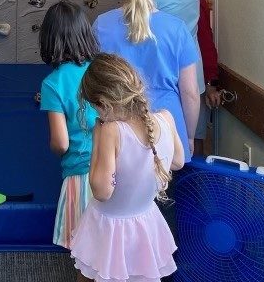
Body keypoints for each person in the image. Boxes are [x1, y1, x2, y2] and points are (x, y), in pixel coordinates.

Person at [71, 53, 185, 282]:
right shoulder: (165, 118)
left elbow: (102, 191)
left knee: (93, 272)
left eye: (95, 107)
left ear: (103, 103)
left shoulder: (111, 131)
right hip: (145, 222)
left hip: (110, 226)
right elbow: (178, 162)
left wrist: (97, 139)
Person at [94, 0, 200, 161]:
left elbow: (94, 84)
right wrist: (188, 135)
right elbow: (190, 92)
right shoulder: (177, 29)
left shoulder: (101, 25)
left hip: (118, 127)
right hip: (168, 127)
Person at [38, 0, 99, 250]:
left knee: (86, 254)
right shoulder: (102, 70)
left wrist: (53, 148)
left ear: (49, 40)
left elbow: (61, 143)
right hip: (113, 168)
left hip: (80, 175)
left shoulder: (52, 84)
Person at [178, 0, 222, 155]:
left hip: (194, 80)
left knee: (193, 140)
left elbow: (205, 40)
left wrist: (211, 82)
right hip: (190, 81)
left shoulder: (195, 0)